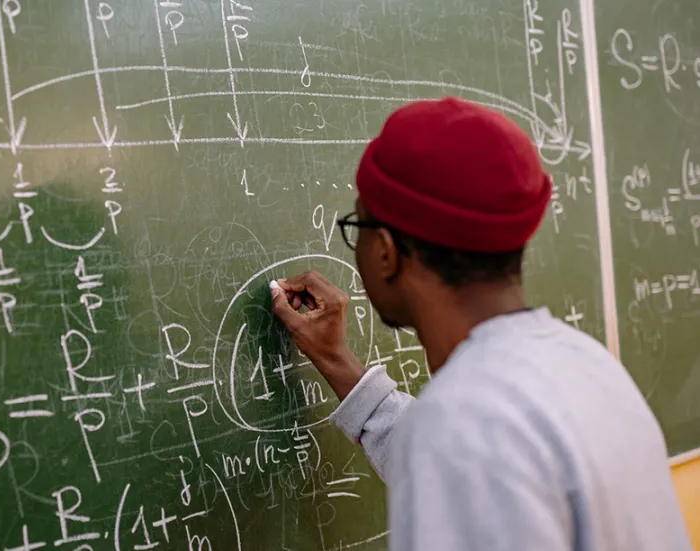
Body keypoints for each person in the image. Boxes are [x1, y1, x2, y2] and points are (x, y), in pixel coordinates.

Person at [270, 97, 691, 551]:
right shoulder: (589, 366)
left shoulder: (464, 428)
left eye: (360, 226)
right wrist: (337, 361)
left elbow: (464, 452)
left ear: (386, 252)